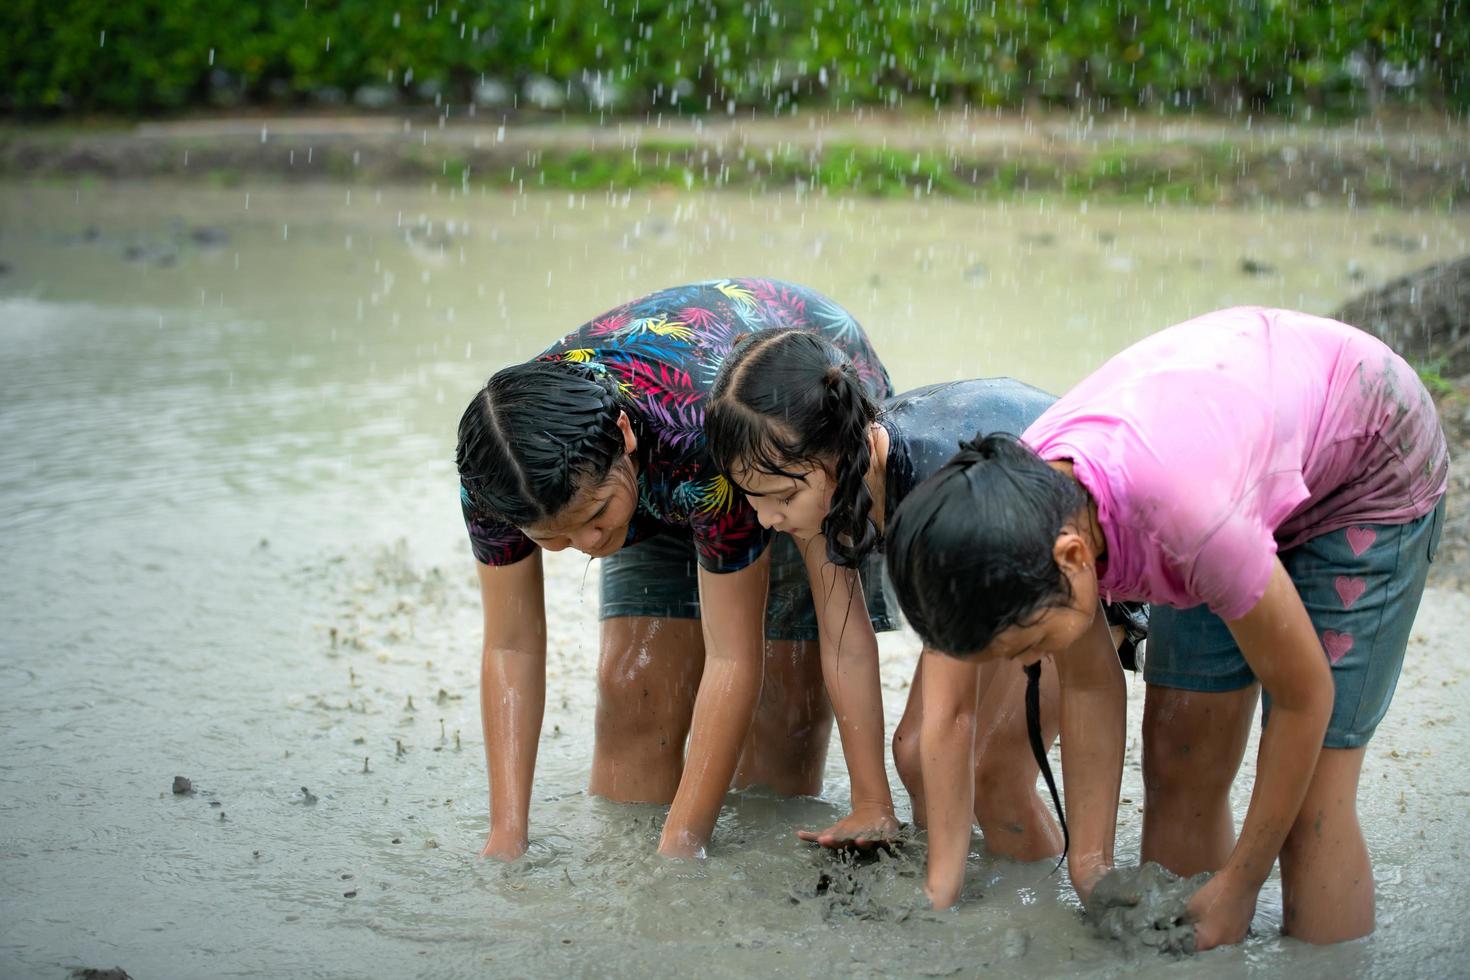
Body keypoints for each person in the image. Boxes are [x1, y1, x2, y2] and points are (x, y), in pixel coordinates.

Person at [883, 306, 1448, 948]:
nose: (1037, 659)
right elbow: (1093, 684)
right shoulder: (1021, 511)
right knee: (1181, 751)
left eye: (1033, 645)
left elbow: (1303, 697)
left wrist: (1240, 884)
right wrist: (1089, 864)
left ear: (1073, 559)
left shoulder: (1185, 521)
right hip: (1224, 451)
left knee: (1312, 802)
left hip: (1366, 459)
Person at [456, 278, 892, 860]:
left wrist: (683, 847)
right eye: (551, 538)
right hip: (647, 475)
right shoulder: (501, 471)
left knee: (783, 723)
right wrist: (506, 836)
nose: (586, 544)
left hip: (771, 441)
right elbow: (511, 647)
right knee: (634, 693)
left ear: (623, 437)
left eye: (593, 518)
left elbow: (733, 656)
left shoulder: (698, 438)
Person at [705, 330, 1147, 884]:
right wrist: (872, 803)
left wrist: (941, 896)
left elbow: (955, 712)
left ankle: (1034, 896)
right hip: (990, 570)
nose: (768, 518)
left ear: (837, 449)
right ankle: (974, 872)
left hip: (1068, 575)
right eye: (754, 498)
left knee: (993, 772)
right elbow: (845, 642)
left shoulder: (929, 485)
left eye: (783, 497)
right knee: (916, 752)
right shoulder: (830, 484)